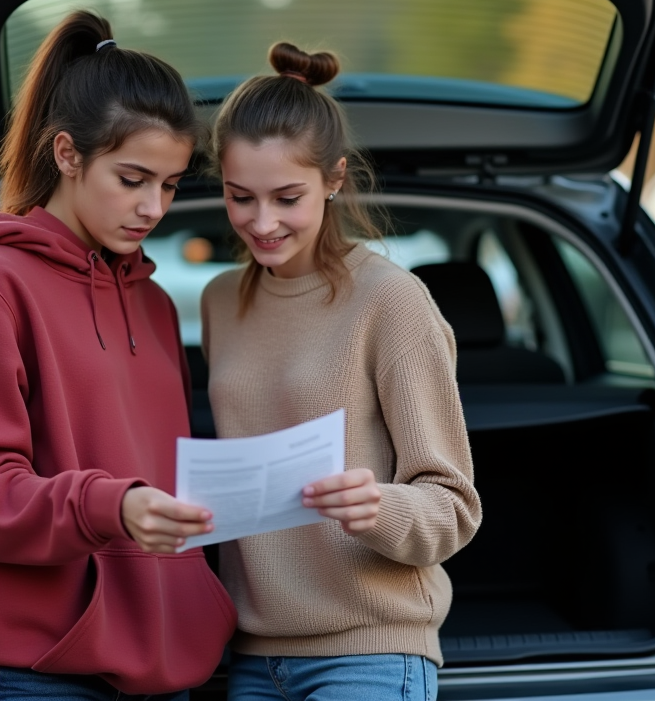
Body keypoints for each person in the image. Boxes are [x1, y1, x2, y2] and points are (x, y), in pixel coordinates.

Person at [0, 11, 236, 701]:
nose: (154, 206)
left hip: (166, 668)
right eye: (132, 179)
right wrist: (111, 506)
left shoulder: (154, 302)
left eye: (170, 183)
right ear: (67, 154)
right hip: (44, 672)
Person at [200, 42, 482, 701]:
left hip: (371, 652)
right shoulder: (219, 302)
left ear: (334, 179)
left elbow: (454, 506)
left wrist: (378, 505)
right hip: (249, 655)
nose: (261, 223)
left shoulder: (390, 300)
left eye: (287, 197)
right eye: (240, 197)